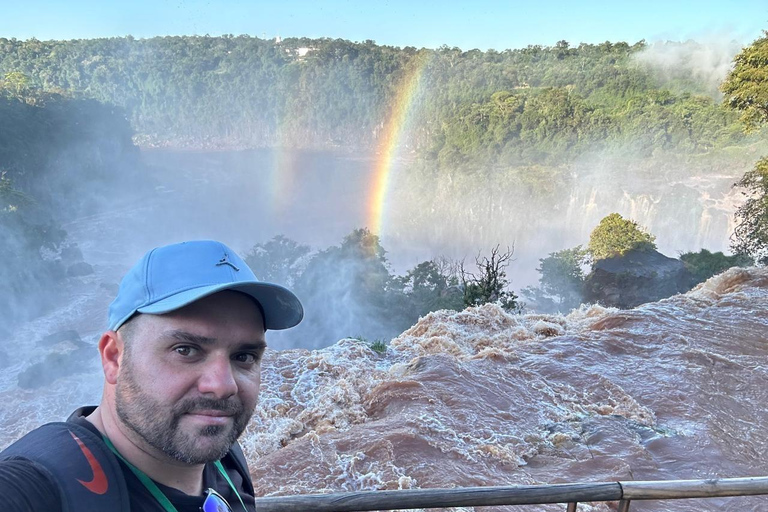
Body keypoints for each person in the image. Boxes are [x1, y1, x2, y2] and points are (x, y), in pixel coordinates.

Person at [0, 240, 303, 511]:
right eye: (186, 350)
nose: (223, 386)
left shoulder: (226, 460)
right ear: (113, 357)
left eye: (244, 356)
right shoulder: (39, 486)